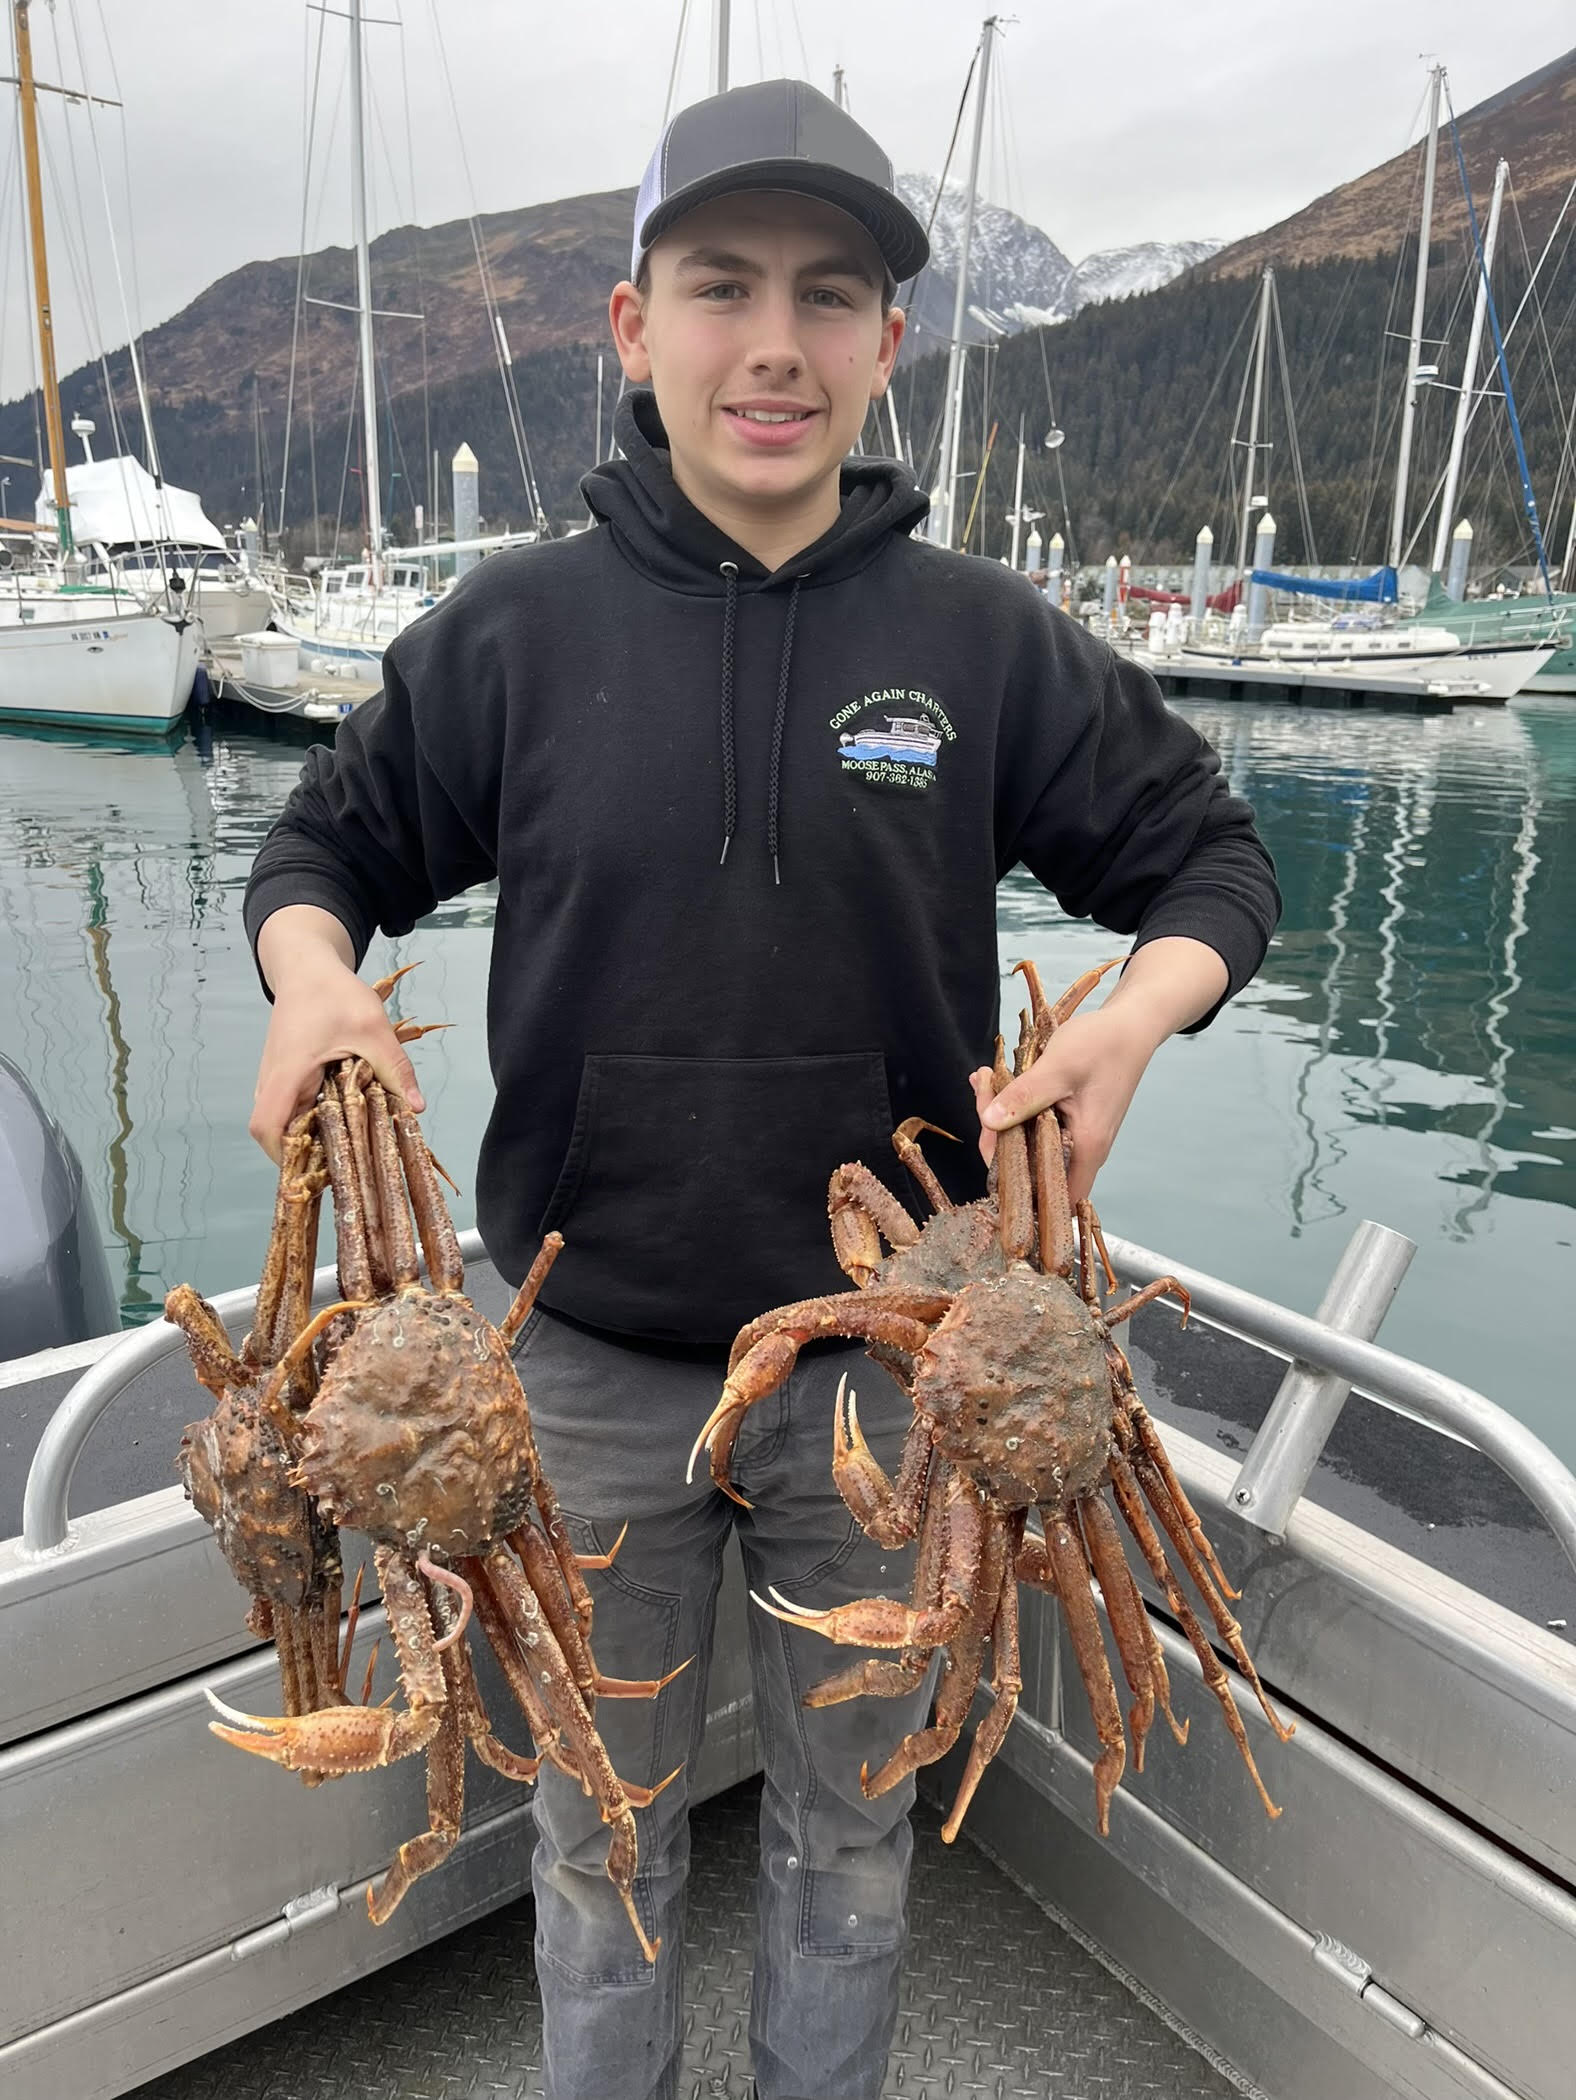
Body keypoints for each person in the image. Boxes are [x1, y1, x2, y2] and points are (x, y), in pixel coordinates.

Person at [244, 77, 1279, 2100]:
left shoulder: (976, 638)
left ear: (892, 341)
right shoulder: (513, 630)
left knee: (852, 1836)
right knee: (593, 1843)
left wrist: (1133, 1012)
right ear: (632, 326)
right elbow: (322, 852)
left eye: (828, 295)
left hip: (892, 1378)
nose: (775, 341)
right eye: (720, 286)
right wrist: (311, 987)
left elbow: (1206, 859)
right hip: (581, 1368)